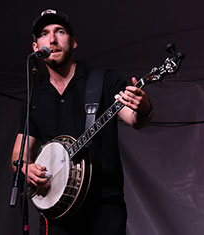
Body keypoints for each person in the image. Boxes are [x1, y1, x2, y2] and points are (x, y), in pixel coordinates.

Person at [11, 9, 153, 235]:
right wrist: (26, 169)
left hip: (103, 210)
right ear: (36, 48)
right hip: (55, 214)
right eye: (45, 34)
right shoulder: (35, 98)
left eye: (60, 31)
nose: (53, 39)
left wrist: (143, 107)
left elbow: (135, 120)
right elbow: (19, 155)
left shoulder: (103, 80)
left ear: (73, 41)